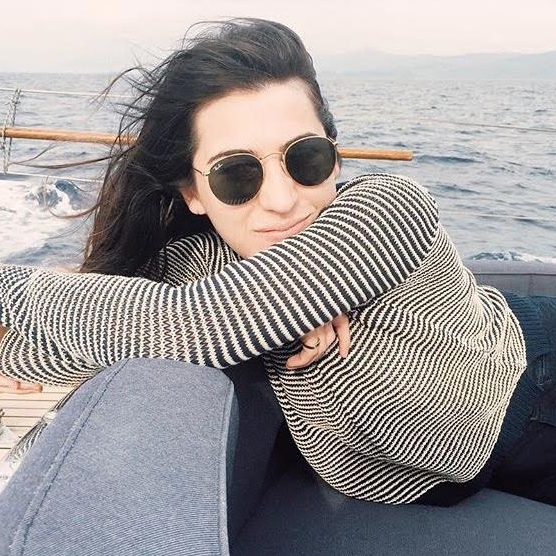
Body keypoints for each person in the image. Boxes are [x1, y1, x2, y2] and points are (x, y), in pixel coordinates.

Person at [0, 17, 555, 523]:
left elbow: (195, 322)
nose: (282, 200)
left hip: (531, 387)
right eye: (237, 174)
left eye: (305, 158)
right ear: (192, 191)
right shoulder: (203, 267)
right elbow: (38, 351)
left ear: (334, 156)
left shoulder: (390, 210)